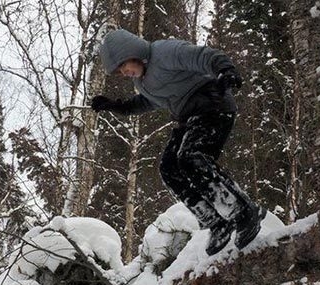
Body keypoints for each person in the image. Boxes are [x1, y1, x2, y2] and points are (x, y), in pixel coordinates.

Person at [91, 29, 266, 256]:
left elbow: (203, 56)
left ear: (132, 52)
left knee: (191, 156)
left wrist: (226, 70)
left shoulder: (164, 51)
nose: (125, 73)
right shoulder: (143, 82)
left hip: (212, 104)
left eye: (124, 66)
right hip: (189, 117)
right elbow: (146, 102)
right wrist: (116, 106)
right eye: (121, 72)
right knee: (169, 167)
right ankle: (215, 221)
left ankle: (243, 212)